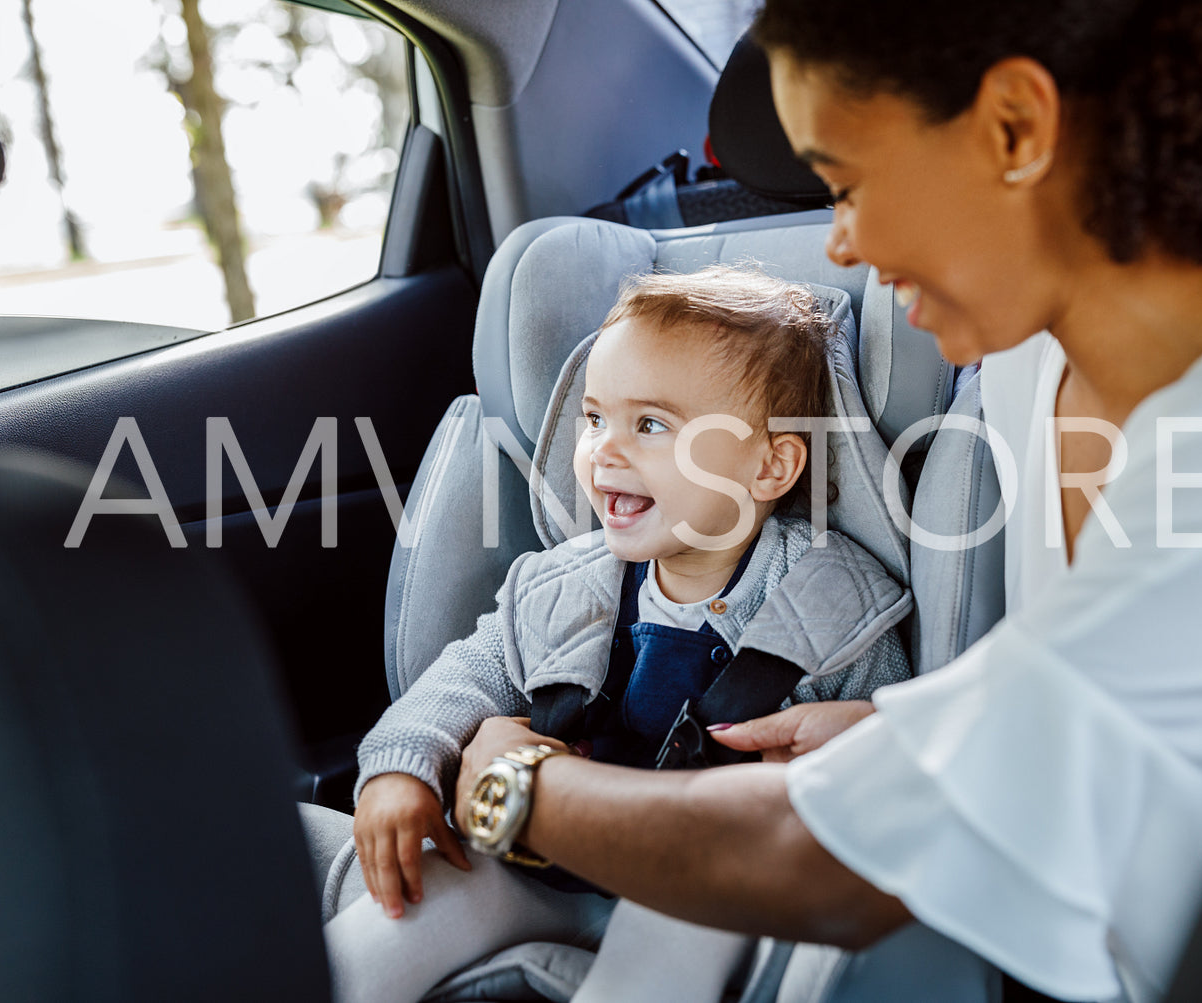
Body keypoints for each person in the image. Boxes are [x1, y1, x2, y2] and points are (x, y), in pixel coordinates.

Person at [448, 2, 1202, 1001]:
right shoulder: (1032, 365)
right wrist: (890, 730)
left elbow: (825, 863)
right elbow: (1116, 709)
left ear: (1013, 127)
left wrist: (514, 786)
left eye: (846, 184)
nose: (837, 243)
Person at [321, 264, 915, 1003]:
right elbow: (463, 677)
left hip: (702, 887)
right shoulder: (562, 585)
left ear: (769, 465)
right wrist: (399, 769)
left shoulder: (835, 607)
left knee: (682, 924)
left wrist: (866, 736)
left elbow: (898, 759)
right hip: (540, 862)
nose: (603, 448)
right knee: (399, 917)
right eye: (595, 417)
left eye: (651, 424)